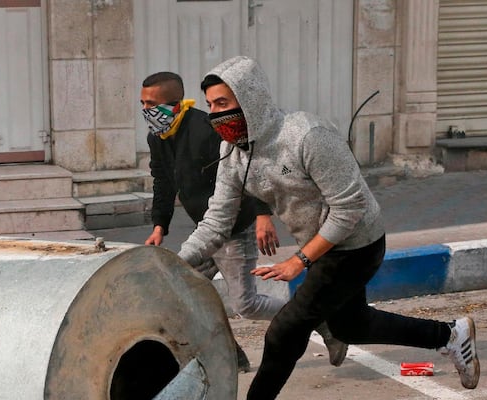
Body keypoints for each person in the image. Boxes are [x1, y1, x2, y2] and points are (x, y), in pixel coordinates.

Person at [176, 56, 480, 400]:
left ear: (249, 99)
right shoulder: (233, 153)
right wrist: (174, 264)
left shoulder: (307, 135)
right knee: (352, 326)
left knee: (287, 328)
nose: (215, 114)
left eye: (222, 103)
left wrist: (299, 260)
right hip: (321, 245)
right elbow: (216, 222)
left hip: (356, 242)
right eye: (210, 105)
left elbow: (349, 208)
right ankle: (450, 335)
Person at [140, 71, 348, 373]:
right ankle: (231, 354)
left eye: (151, 104)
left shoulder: (205, 130)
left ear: (174, 104)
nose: (146, 111)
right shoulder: (158, 137)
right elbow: (162, 180)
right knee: (181, 292)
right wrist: (160, 225)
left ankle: (321, 321)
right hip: (206, 230)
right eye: (142, 103)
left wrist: (263, 214)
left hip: (233, 228)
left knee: (246, 304)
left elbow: (247, 164)